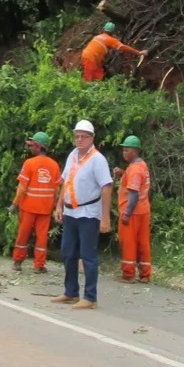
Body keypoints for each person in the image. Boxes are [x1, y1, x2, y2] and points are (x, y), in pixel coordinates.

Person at [52, 120, 113, 309]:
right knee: (68, 252)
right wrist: (59, 205)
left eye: (83, 137)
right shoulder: (72, 156)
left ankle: (90, 297)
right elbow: (66, 181)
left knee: (88, 255)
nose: (79, 140)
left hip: (88, 212)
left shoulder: (97, 159)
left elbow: (107, 187)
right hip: (71, 211)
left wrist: (105, 217)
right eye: (77, 136)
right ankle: (70, 291)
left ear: (91, 138)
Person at [9, 131, 62, 273]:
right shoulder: (54, 165)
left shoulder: (29, 163)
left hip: (28, 207)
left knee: (23, 234)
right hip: (45, 209)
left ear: (38, 146)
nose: (30, 148)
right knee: (42, 238)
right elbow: (57, 190)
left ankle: (18, 261)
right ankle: (39, 265)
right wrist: (55, 206)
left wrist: (15, 203)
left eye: (32, 145)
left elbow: (22, 187)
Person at [114, 135, 151, 284]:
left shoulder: (135, 169)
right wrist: (123, 174)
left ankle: (128, 274)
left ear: (134, 151)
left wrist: (127, 213)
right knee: (143, 242)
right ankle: (145, 274)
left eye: (126, 150)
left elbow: (134, 193)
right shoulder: (142, 165)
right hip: (143, 210)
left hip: (133, 212)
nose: (124, 153)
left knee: (128, 242)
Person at [80, 22, 148, 82]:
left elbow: (98, 49)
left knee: (98, 74)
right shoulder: (110, 40)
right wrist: (139, 52)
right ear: (113, 32)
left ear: (103, 29)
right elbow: (122, 47)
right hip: (92, 57)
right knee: (88, 77)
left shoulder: (98, 37)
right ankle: (84, 90)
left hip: (88, 55)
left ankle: (95, 89)